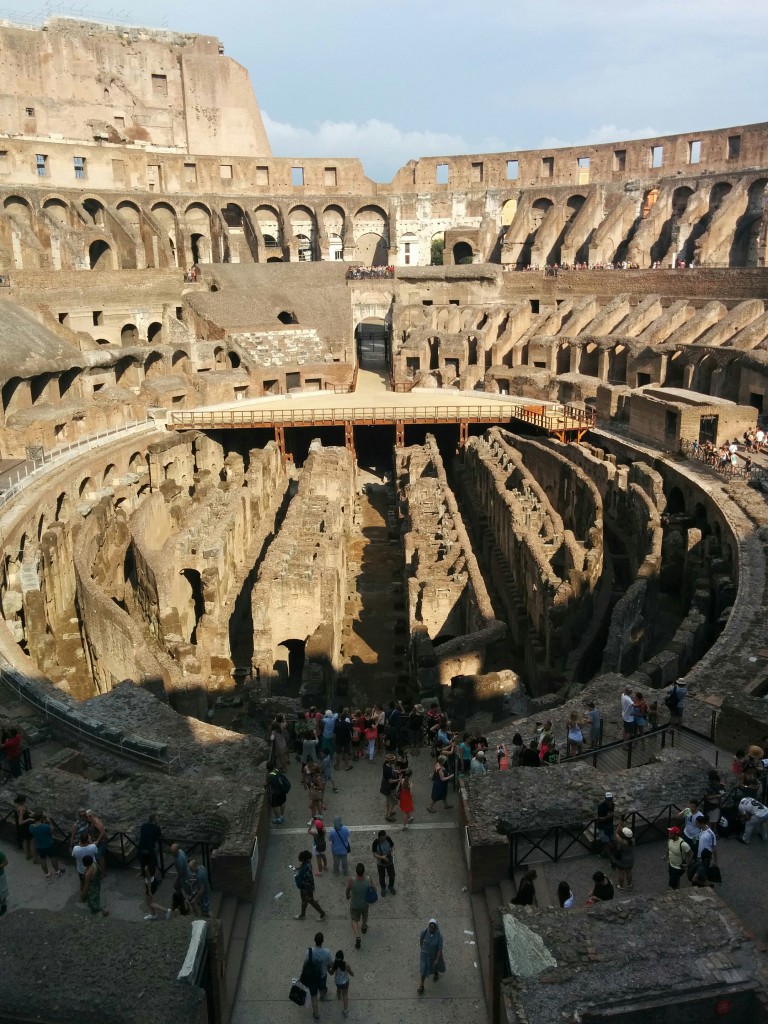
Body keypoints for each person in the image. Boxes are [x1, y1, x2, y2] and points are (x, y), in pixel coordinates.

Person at [345, 862, 375, 950]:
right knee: (365, 914)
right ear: (364, 871)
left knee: (354, 919)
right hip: (364, 904)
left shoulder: (352, 880)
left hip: (354, 905)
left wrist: (347, 896)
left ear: (356, 871)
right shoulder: (368, 879)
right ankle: (364, 925)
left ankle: (358, 936)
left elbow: (347, 890)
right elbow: (375, 889)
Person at [29, 811, 64, 880]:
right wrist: (49, 822)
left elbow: (37, 830)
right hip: (49, 845)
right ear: (42, 818)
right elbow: (52, 830)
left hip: (39, 846)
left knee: (43, 860)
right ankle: (57, 871)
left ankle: (47, 875)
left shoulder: (31, 827)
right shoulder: (45, 826)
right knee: (53, 858)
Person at [294, 849, 326, 922]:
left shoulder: (306, 866)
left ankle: (322, 913)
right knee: (304, 900)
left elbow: (305, 876)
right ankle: (302, 914)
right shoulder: (308, 862)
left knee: (310, 901)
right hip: (309, 886)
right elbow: (303, 867)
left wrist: (298, 875)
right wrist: (298, 868)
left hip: (306, 887)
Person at [417, 918, 445, 994]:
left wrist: (436, 959)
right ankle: (421, 985)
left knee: (434, 965)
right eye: (430, 927)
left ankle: (435, 972)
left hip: (434, 955)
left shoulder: (439, 936)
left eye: (433, 927)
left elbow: (439, 949)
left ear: (436, 927)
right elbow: (421, 940)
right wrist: (422, 948)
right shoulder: (424, 932)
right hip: (424, 955)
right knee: (423, 969)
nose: (431, 929)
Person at [304, 933, 333, 1004]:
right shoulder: (327, 952)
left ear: (314, 940)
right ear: (322, 941)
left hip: (312, 975)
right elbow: (331, 964)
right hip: (322, 975)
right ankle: (322, 995)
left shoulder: (309, 951)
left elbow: (305, 963)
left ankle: (314, 994)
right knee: (322, 987)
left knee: (314, 987)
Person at [329, 949, 355, 1017]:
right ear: (342, 958)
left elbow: (331, 973)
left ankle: (339, 997)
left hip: (338, 982)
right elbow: (350, 972)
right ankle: (345, 1011)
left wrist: (328, 968)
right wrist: (353, 974)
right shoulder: (346, 965)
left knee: (338, 989)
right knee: (345, 995)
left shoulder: (334, 966)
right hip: (345, 982)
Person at [371, 829, 396, 896]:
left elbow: (392, 846)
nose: (384, 840)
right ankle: (383, 888)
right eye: (382, 838)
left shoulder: (387, 838)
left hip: (389, 860)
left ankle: (391, 886)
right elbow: (374, 854)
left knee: (392, 875)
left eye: (385, 838)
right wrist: (382, 857)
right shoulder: (375, 843)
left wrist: (392, 852)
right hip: (380, 863)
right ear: (379, 837)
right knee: (381, 876)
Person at [613, 826, 634, 891]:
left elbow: (616, 833)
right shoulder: (633, 840)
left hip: (622, 859)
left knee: (621, 872)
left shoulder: (622, 842)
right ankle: (629, 886)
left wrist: (620, 823)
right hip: (630, 859)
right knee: (629, 871)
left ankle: (621, 887)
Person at [13, 794, 34, 861]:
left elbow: (26, 812)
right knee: (31, 840)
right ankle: (32, 855)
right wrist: (29, 819)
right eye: (24, 800)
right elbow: (20, 822)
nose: (25, 801)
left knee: (25, 840)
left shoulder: (20, 806)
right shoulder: (22, 809)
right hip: (26, 826)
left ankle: (27, 855)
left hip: (24, 827)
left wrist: (30, 813)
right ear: (22, 801)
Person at [381, 753, 400, 821]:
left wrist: (395, 771)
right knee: (393, 801)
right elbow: (391, 781)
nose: (394, 760)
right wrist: (398, 779)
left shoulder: (386, 765)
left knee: (388, 800)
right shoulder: (388, 770)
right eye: (393, 760)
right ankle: (388, 816)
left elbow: (390, 771)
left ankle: (388, 812)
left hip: (385, 787)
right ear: (390, 761)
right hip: (390, 788)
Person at [0, 847, 8, 915]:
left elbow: (6, 862)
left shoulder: (0, 854)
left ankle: (4, 906)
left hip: (0, 876)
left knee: (2, 891)